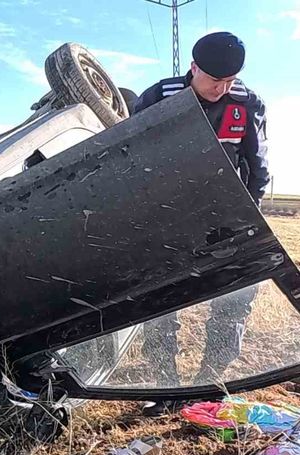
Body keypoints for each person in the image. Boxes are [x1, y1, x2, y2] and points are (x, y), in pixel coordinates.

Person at [132, 31, 269, 417]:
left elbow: (258, 167)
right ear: (193, 68)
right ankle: (168, 389)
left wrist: (249, 217)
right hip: (167, 218)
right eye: (213, 79)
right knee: (161, 303)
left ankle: (211, 385)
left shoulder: (246, 103)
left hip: (225, 219)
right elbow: (127, 157)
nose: (220, 88)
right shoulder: (160, 97)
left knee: (233, 302)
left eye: (228, 81)